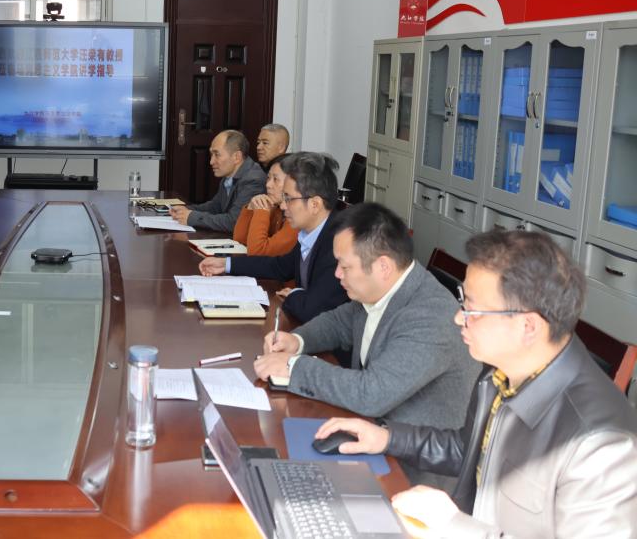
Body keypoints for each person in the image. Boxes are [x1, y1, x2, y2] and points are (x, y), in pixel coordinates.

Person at [315, 230, 637, 537]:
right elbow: (467, 448)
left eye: (473, 310)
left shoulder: (602, 446)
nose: (459, 318)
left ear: (528, 326)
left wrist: (454, 527)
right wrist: (386, 438)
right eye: (463, 303)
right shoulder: (500, 373)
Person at [253, 202, 480, 485]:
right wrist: (298, 340)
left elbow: (371, 393)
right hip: (373, 434)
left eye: (345, 266)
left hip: (413, 470)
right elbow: (341, 321)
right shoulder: (381, 290)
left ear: (383, 266)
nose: (337, 274)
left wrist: (293, 367)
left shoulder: (430, 316)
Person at [202, 152, 346, 324]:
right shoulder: (310, 233)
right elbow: (280, 266)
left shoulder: (339, 245)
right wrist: (226, 264)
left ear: (315, 204)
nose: (283, 206)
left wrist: (294, 294)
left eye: (289, 199)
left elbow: (311, 309)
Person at [169, 130, 266, 232]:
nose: (211, 162)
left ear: (236, 157)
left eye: (217, 154)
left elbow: (234, 222)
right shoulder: (230, 174)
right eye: (212, 154)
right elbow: (216, 206)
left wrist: (192, 217)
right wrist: (187, 210)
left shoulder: (253, 181)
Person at [230, 153, 298, 256]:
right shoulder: (276, 208)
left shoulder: (298, 216)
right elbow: (240, 242)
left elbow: (257, 252)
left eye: (275, 179)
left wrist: (261, 211)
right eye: (268, 178)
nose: (268, 185)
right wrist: (250, 209)